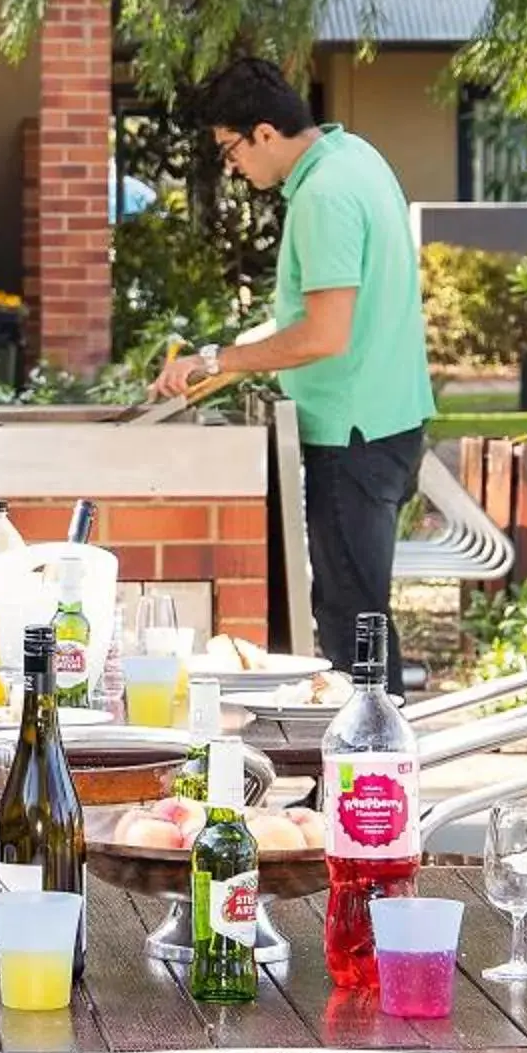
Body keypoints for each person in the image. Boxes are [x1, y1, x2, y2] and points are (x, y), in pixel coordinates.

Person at [151, 57, 433, 670]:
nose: (231, 166)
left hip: (350, 433)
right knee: (362, 611)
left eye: (230, 149)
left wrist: (224, 357)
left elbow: (324, 335)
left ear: (265, 134)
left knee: (350, 622)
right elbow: (321, 312)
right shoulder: (354, 157)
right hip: (390, 423)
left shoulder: (321, 199)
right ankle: (379, 750)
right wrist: (213, 362)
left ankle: (373, 759)